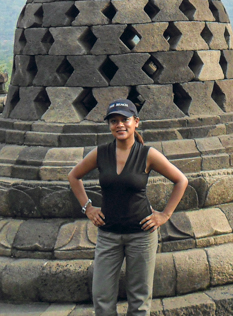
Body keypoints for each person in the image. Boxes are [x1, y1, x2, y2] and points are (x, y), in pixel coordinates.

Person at [68, 99, 188, 316]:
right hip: (108, 235)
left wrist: (165, 215)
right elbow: (74, 176)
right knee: (102, 297)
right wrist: (88, 208)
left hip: (141, 235)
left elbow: (181, 180)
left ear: (136, 122)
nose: (120, 125)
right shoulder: (101, 153)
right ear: (109, 125)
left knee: (139, 300)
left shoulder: (147, 154)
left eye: (125, 120)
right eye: (114, 121)